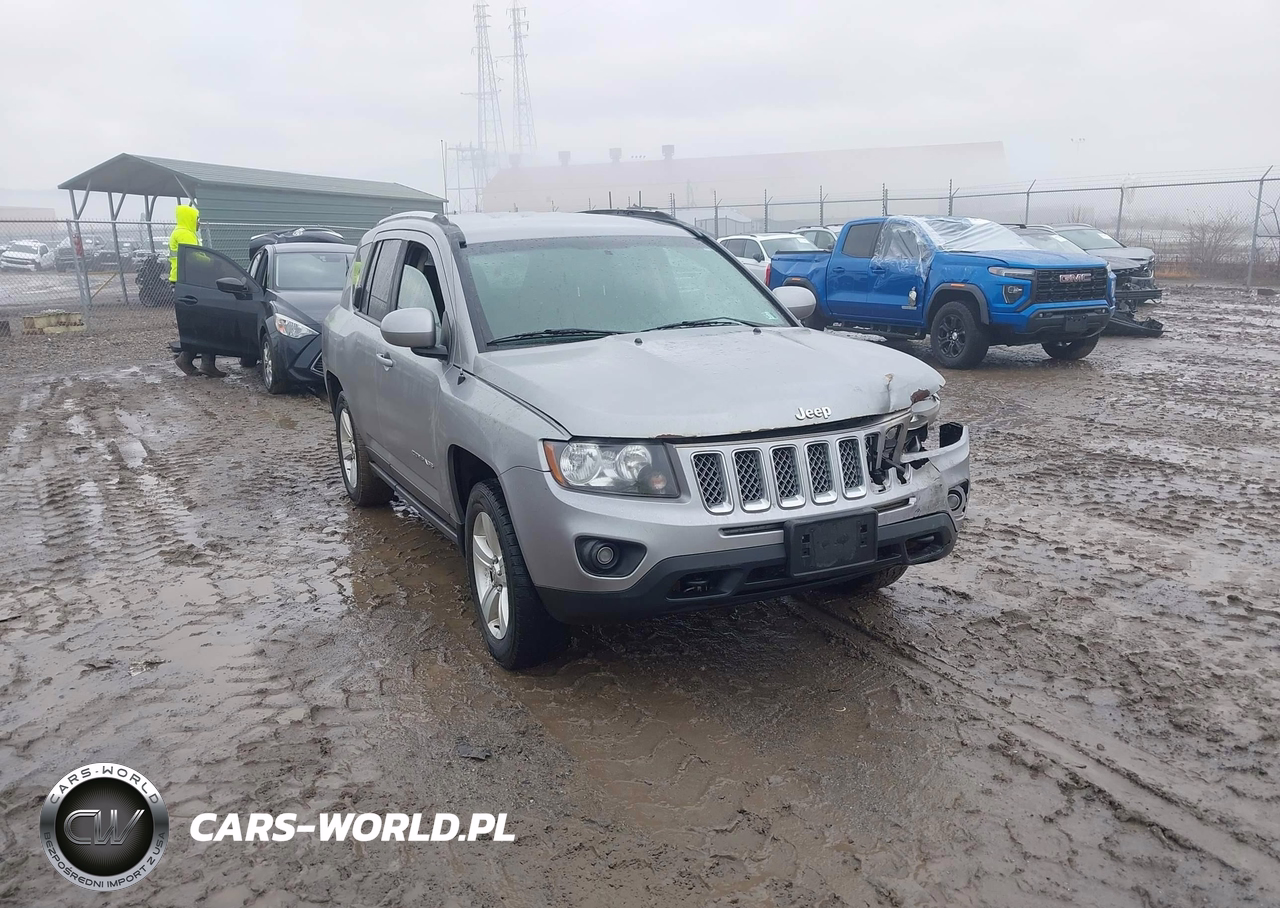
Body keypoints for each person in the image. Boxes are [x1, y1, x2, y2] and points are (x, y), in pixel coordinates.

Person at [168, 204, 224, 377]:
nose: (198, 223)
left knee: (200, 325)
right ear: (189, 218)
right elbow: (194, 257)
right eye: (196, 219)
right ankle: (192, 360)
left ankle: (199, 361)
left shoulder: (182, 232)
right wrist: (212, 262)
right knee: (203, 325)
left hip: (185, 282)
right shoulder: (184, 233)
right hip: (188, 282)